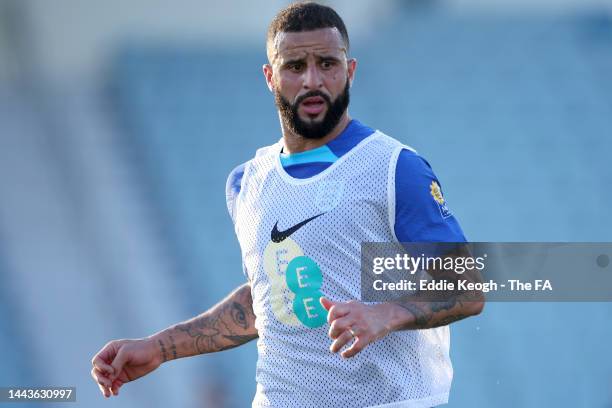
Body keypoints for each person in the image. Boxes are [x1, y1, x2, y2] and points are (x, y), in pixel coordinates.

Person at [91, 2, 484, 407]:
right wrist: (160, 347)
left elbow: (468, 287)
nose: (312, 80)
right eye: (295, 66)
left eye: (327, 63)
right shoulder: (247, 183)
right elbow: (268, 298)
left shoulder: (395, 168)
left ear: (349, 71)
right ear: (270, 77)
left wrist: (384, 314)